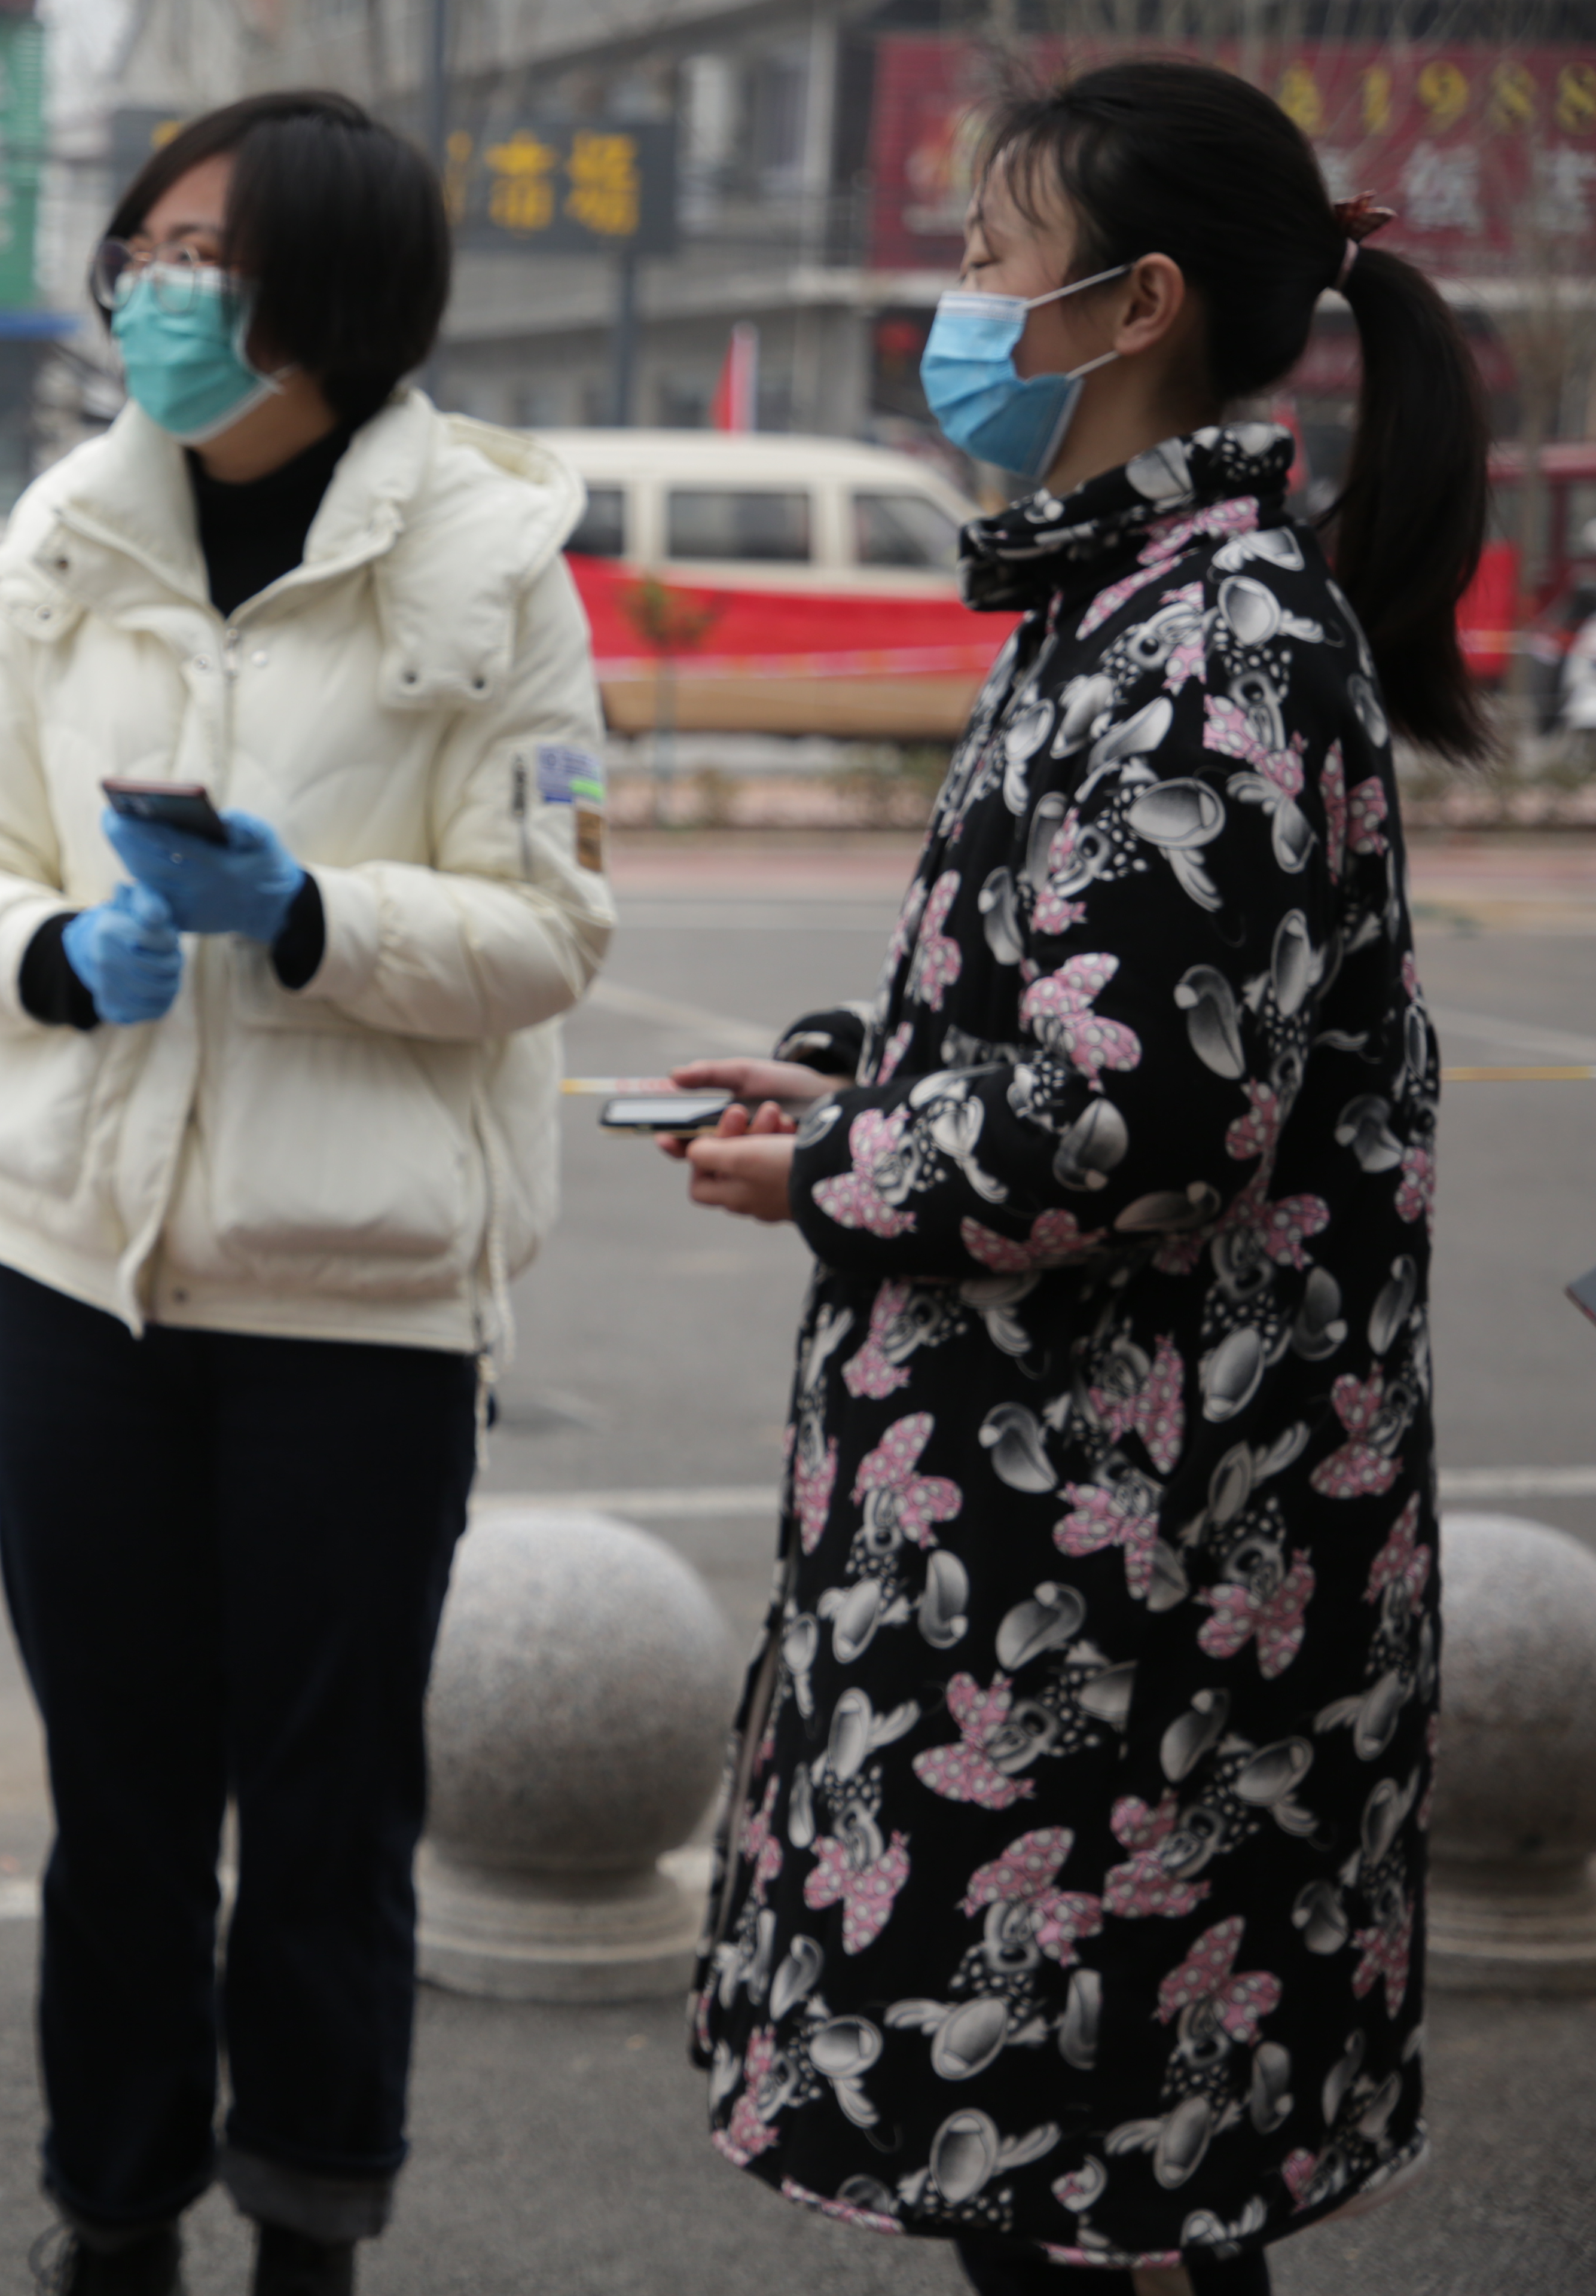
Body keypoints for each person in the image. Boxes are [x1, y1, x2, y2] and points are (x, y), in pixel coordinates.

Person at [667, 60, 1473, 2296]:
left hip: (1137, 1598)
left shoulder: (1211, 646)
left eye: (986, 256)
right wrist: (852, 1078)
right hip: (1075, 1559)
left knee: (1105, 2198)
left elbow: (1142, 1125)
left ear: (1135, 306)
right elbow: (1083, 1022)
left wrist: (838, 1163)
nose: (953, 301)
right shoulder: (1127, 607)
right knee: (1097, 2196)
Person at [0, 90, 614, 2296]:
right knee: (116, 1816)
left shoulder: (492, 566)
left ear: (340, 286)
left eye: (207, 254)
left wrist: (308, 915)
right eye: (147, 247)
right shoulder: (67, 535)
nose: (156, 289)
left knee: (323, 1826)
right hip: (75, 1281)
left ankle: (312, 2234)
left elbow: (550, 929)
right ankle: (112, 2222)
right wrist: (53, 957)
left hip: (358, 1311)